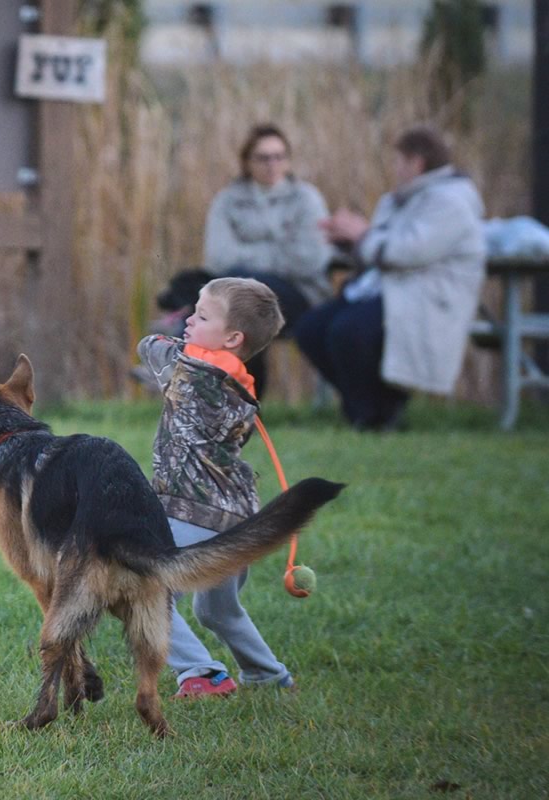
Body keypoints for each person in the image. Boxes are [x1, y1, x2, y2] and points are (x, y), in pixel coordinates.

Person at [136, 277, 295, 697]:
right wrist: (194, 335)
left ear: (233, 337)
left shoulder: (190, 371)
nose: (189, 319)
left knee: (141, 584)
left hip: (192, 512)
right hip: (239, 518)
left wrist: (180, 340)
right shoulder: (242, 386)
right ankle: (268, 675)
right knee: (218, 609)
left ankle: (201, 673)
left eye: (201, 316)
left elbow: (149, 346)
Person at [296, 125, 486, 431]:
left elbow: (409, 251)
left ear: (416, 162)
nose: (395, 169)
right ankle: (368, 407)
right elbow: (380, 249)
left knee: (349, 331)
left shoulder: (453, 201)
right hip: (388, 292)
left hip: (427, 300)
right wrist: (349, 241)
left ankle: (376, 415)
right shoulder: (399, 199)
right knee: (311, 329)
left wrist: (363, 234)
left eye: (399, 161)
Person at [201, 123, 334, 398]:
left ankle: (243, 395)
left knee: (239, 293)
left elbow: (310, 259)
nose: (272, 164)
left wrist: (250, 257)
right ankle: (240, 395)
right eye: (263, 158)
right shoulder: (227, 201)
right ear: (247, 162)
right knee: (240, 301)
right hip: (240, 296)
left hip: (300, 296)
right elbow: (218, 257)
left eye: (279, 156)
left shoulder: (306, 199)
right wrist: (278, 251)